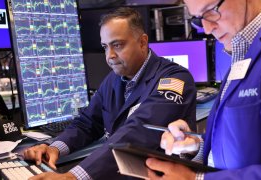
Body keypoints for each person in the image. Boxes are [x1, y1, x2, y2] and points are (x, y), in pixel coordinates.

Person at [23, 7, 197, 180]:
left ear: (143, 42)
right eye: (105, 47)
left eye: (118, 45)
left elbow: (138, 132)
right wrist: (55, 147)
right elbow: (88, 122)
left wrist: (73, 177)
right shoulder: (114, 79)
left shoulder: (174, 79)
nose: (110, 56)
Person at [146, 0, 261, 179]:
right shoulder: (243, 46)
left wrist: (195, 179)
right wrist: (196, 147)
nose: (207, 29)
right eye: (198, 18)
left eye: (211, 10)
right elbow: (246, 142)